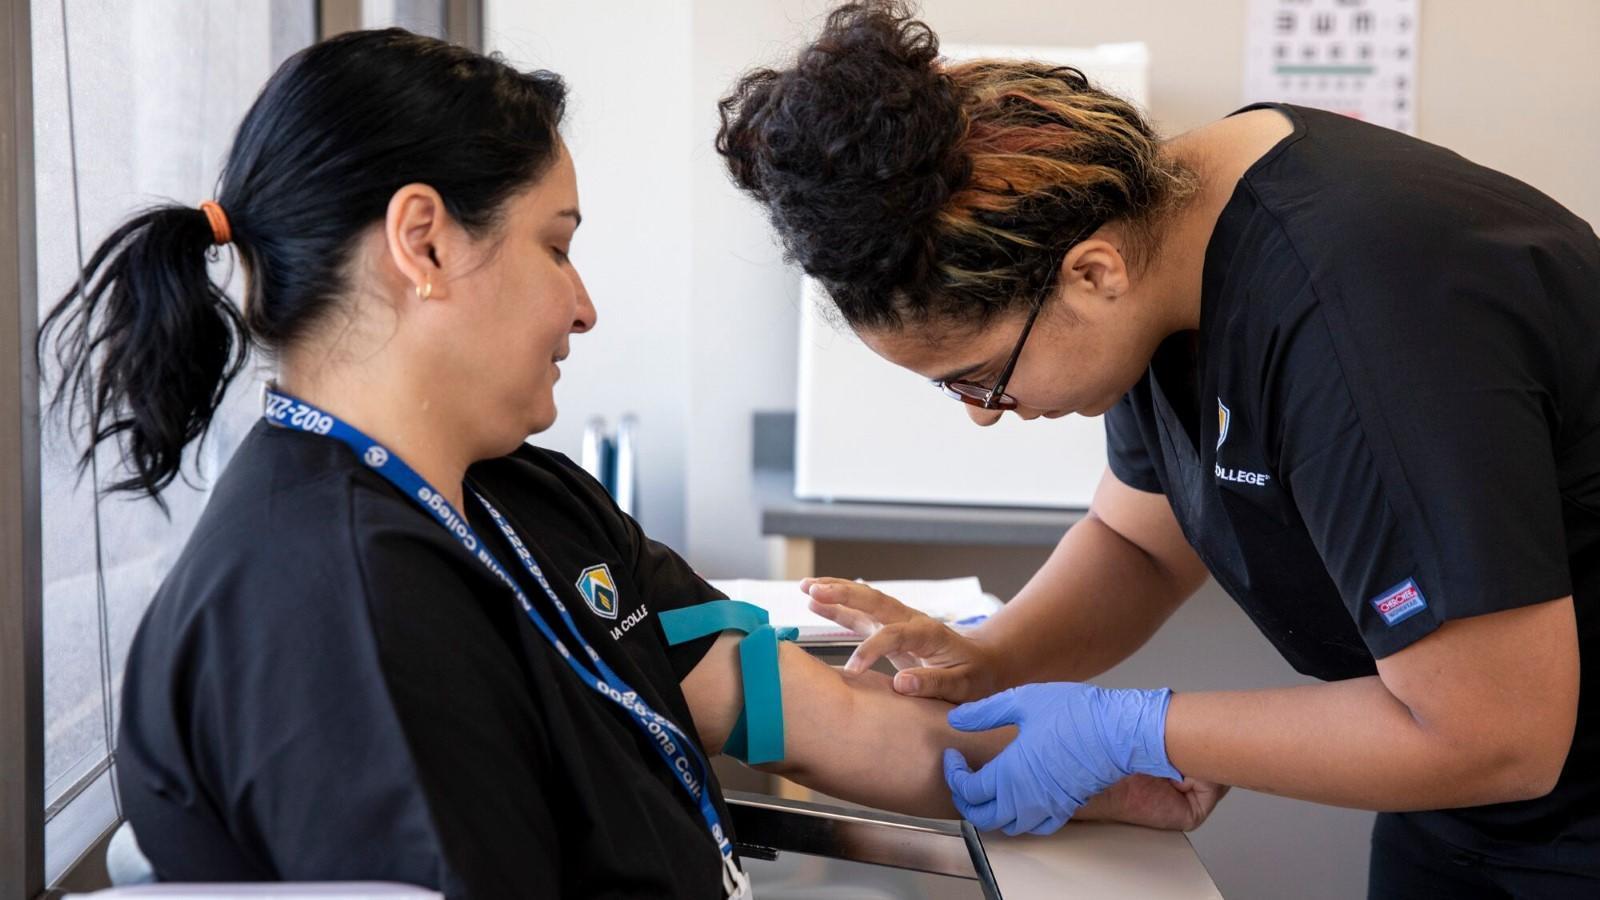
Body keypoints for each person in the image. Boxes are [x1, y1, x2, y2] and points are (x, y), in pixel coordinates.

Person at [35, 27, 1079, 900]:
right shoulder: (335, 611)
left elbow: (798, 709)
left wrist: (1095, 761)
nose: (583, 305)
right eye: (555, 244)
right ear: (425, 243)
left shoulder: (517, 495)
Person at [715, 2, 1600, 896]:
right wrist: (992, 656)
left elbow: (1496, 736)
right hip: (1460, 807)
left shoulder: (1362, 325)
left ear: (1092, 275)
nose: (983, 415)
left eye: (979, 377)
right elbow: (1139, 541)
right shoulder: (1162, 242)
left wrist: (1137, 729)